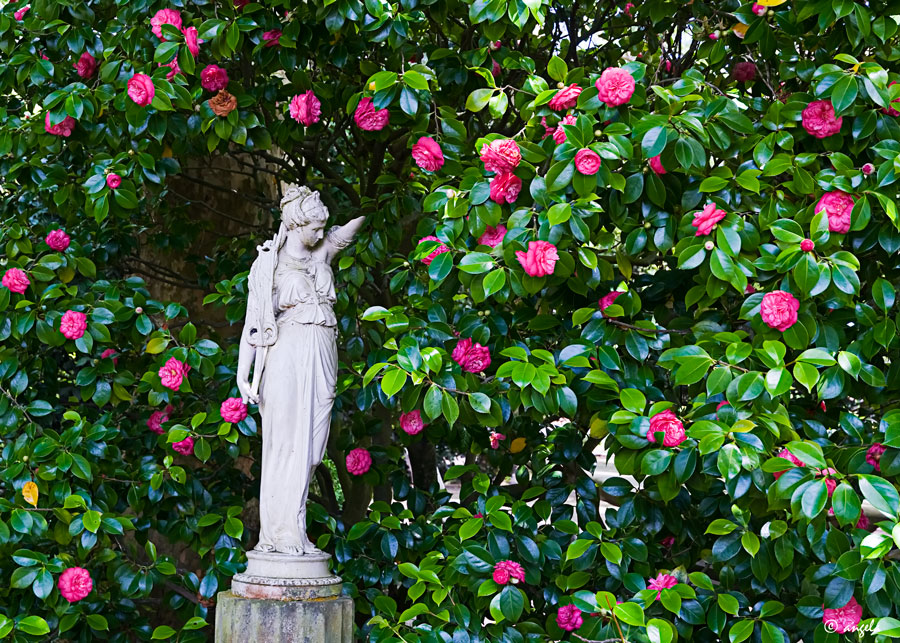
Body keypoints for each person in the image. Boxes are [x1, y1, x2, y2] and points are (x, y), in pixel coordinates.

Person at [237, 185, 364, 555]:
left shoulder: (321, 254)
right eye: (315, 227)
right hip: (286, 354)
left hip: (322, 352)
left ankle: (294, 528)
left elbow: (347, 232)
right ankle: (282, 534)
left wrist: (376, 204)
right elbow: (253, 325)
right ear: (295, 224)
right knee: (285, 445)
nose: (322, 234)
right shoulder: (268, 265)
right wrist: (243, 376)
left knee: (311, 451)